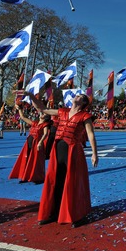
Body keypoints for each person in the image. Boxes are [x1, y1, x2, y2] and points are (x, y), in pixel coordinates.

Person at [22, 91, 98, 228]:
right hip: (58, 150)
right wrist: (30, 95)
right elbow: (42, 109)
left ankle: (77, 215)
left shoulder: (85, 116)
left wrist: (94, 154)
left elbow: (90, 134)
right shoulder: (62, 111)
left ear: (84, 104)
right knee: (55, 180)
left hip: (73, 151)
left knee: (72, 183)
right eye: (77, 95)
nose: (77, 96)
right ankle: (53, 213)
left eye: (81, 97)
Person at [9, 105, 51, 184]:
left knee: (37, 160)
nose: (42, 114)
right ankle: (25, 176)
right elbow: (23, 117)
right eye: (42, 113)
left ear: (46, 117)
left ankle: (39, 177)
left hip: (36, 143)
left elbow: (45, 134)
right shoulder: (34, 123)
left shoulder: (45, 125)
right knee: (26, 158)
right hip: (29, 141)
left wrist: (40, 142)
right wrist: (20, 109)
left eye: (44, 114)